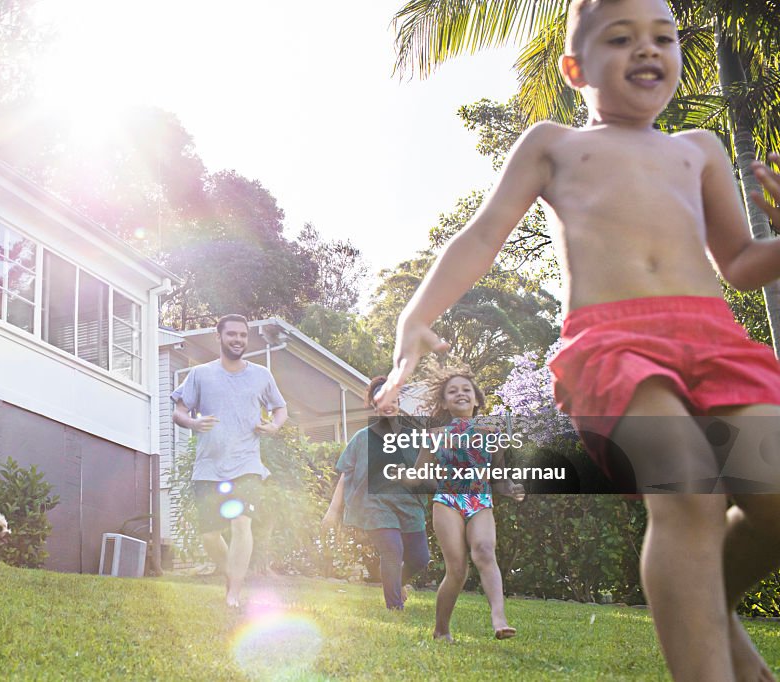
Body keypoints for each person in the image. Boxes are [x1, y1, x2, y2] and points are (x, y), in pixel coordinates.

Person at [373, 0, 780, 679]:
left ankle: (706, 613)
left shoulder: (699, 151)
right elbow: (481, 235)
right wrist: (413, 318)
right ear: (574, 67)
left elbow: (738, 264)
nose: (647, 50)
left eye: (663, 38)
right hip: (613, 346)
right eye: (621, 39)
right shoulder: (554, 144)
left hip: (715, 341)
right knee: (688, 489)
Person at [171, 314, 288, 608]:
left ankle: (233, 594)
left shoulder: (261, 375)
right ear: (218, 336)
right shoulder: (200, 374)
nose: (238, 340)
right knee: (210, 535)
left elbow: (280, 409)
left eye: (243, 335)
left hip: (247, 464)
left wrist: (273, 427)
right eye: (232, 334)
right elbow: (179, 411)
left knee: (241, 523)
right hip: (208, 466)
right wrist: (193, 423)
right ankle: (233, 573)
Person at [420, 369, 523, 642]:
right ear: (443, 403)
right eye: (452, 391)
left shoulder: (491, 434)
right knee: (457, 570)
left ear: (477, 399)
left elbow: (498, 477)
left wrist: (511, 489)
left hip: (481, 501)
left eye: (466, 389)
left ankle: (499, 618)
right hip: (447, 501)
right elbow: (421, 474)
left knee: (485, 551)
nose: (460, 394)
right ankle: (441, 629)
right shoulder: (434, 435)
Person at [321, 376, 430, 610]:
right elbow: (346, 475)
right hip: (376, 505)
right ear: (374, 404)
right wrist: (333, 511)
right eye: (382, 400)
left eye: (392, 398)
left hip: (409, 504)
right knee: (392, 550)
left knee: (420, 558)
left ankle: (398, 583)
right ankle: (394, 606)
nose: (388, 404)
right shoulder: (362, 438)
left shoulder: (416, 435)